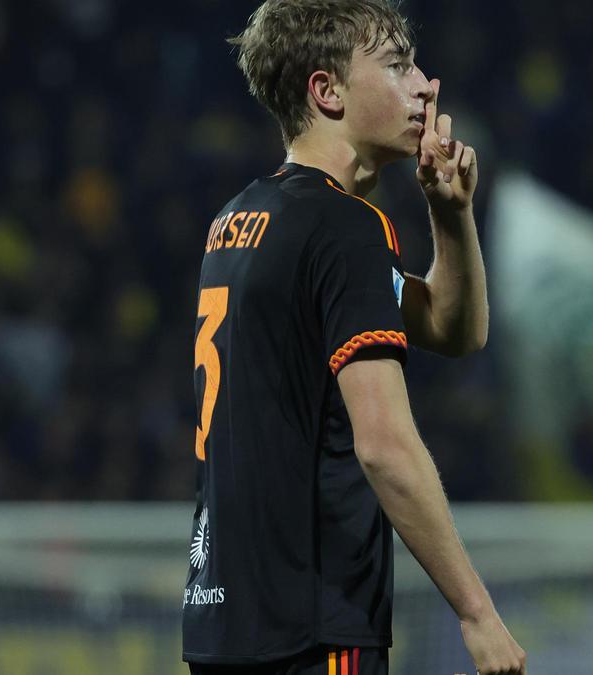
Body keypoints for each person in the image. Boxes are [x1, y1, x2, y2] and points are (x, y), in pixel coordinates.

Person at [181, 1, 527, 674]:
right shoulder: (346, 229)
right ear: (327, 91)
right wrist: (476, 610)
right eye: (398, 65)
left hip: (225, 625)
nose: (426, 85)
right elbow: (386, 447)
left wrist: (449, 213)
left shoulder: (240, 219)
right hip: (314, 625)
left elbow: (454, 330)